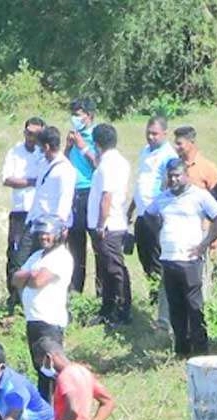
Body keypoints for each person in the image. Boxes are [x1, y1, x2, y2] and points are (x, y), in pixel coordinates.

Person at [145, 160, 217, 357]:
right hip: (168, 258)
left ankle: (200, 349)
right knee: (175, 305)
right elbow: (148, 215)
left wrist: (205, 243)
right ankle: (181, 349)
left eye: (178, 175)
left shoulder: (198, 195)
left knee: (194, 304)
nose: (174, 179)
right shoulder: (163, 198)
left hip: (190, 258)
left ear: (186, 175)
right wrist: (160, 233)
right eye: (171, 175)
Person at [10, 216, 73, 400]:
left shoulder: (61, 256)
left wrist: (29, 277)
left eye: (49, 234)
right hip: (34, 321)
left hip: (49, 322)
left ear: (60, 234)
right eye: (42, 234)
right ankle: (47, 414)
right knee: (41, 371)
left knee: (52, 370)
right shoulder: (37, 257)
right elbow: (15, 279)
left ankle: (62, 409)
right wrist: (31, 273)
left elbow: (38, 281)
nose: (44, 237)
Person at [131, 116, 180, 328]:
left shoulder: (168, 155)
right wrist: (130, 209)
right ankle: (153, 295)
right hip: (142, 213)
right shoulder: (145, 151)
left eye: (155, 133)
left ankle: (160, 302)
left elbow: (168, 186)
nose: (151, 137)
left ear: (165, 134)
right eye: (148, 132)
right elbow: (140, 182)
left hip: (157, 214)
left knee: (156, 258)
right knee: (144, 256)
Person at [87, 123, 132, 324]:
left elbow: (107, 197)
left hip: (108, 225)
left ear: (97, 143)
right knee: (106, 269)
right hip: (110, 223)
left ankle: (122, 311)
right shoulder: (115, 161)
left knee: (114, 269)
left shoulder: (108, 164)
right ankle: (107, 309)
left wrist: (100, 224)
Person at [2, 117, 46, 308]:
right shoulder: (15, 151)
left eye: (36, 134)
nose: (31, 137)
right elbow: (7, 179)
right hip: (20, 213)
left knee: (37, 256)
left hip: (39, 214)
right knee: (15, 256)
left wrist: (25, 181)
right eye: (28, 132)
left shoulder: (44, 154)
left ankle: (34, 299)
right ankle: (14, 299)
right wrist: (32, 181)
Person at [64, 99, 99, 295]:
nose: (75, 118)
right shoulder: (72, 137)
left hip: (90, 192)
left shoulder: (95, 136)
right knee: (76, 248)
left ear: (89, 116)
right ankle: (76, 293)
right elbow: (64, 162)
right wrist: (69, 147)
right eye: (73, 114)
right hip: (73, 194)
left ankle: (102, 294)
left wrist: (83, 146)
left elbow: (99, 164)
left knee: (97, 245)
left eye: (79, 114)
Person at [26, 126, 77, 239]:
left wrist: (60, 226)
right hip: (35, 220)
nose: (40, 151)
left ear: (46, 147)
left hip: (50, 226)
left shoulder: (65, 169)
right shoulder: (44, 164)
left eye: (40, 148)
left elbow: (65, 199)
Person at [172, 126, 217, 192]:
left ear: (191, 142)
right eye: (175, 144)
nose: (175, 147)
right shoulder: (173, 165)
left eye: (179, 144)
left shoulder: (208, 168)